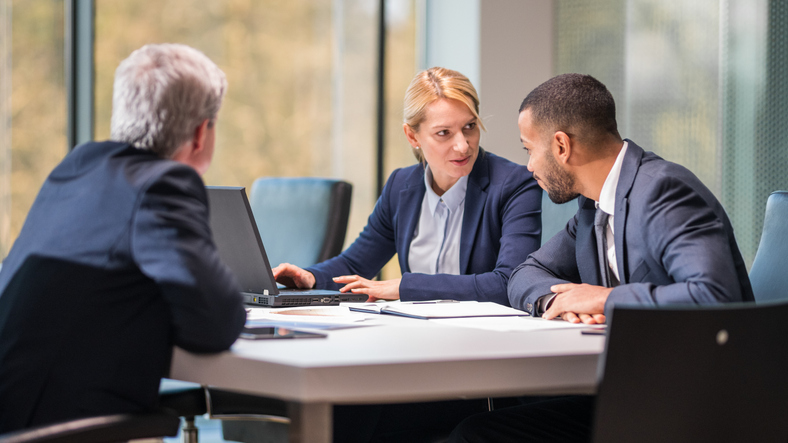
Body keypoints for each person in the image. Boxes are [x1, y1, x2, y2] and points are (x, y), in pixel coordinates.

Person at [449, 73, 753, 442]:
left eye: (529, 149)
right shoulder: (593, 206)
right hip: (635, 391)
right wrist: (558, 298)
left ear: (561, 146)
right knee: (480, 425)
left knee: (480, 434)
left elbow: (715, 297)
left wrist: (605, 299)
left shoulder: (663, 191)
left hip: (693, 406)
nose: (528, 166)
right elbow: (526, 272)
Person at [0, 43, 247, 432]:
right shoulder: (163, 184)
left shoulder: (77, 167)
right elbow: (216, 324)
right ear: (202, 133)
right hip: (57, 427)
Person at [273, 67, 542, 306]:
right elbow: (356, 264)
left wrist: (404, 287)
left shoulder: (514, 185)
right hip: (415, 333)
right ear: (412, 136)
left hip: (484, 341)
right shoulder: (401, 186)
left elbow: (509, 281)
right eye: (443, 133)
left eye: (470, 126)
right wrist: (309, 277)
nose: (463, 145)